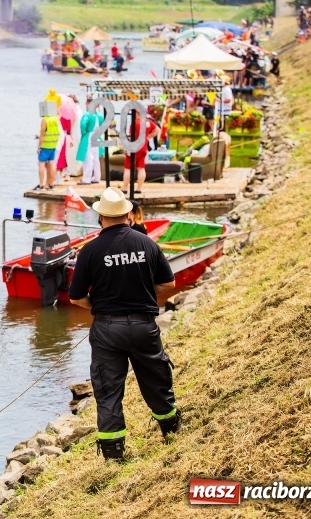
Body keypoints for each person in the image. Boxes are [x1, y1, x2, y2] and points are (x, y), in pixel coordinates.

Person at [69, 187, 179, 461]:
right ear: (128, 214)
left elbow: (76, 297)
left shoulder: (90, 250)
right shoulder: (146, 243)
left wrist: (101, 305)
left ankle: (113, 455)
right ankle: (172, 431)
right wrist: (141, 295)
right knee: (156, 380)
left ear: (101, 217)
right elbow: (168, 283)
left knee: (108, 391)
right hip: (144, 326)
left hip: (107, 329)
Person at [122, 114, 159, 195]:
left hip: (134, 147)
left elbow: (130, 136)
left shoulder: (134, 123)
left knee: (128, 168)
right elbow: (157, 130)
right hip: (143, 147)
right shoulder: (148, 122)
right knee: (141, 168)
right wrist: (148, 137)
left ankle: (125, 187)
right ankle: (139, 188)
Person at [76, 94, 101, 184]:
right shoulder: (98, 114)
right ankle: (97, 177)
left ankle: (86, 179)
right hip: (97, 136)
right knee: (96, 158)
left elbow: (83, 124)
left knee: (88, 158)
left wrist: (84, 132)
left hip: (89, 136)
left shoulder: (87, 114)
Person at [36, 104, 60, 191]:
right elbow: (59, 114)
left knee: (41, 164)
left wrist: (39, 147)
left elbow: (43, 134)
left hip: (45, 145)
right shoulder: (56, 118)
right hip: (53, 144)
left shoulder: (45, 120)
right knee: (52, 163)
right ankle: (51, 183)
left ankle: (41, 184)